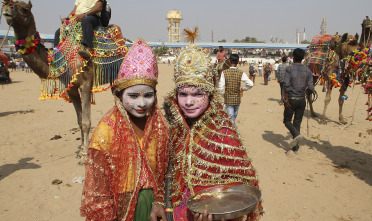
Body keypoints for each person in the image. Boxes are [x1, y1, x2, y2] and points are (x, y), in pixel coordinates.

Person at [163, 43, 263, 221]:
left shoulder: (224, 131)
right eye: (183, 94)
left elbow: (241, 185)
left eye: (197, 94)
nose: (189, 102)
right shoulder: (174, 127)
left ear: (210, 95)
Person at [80, 38, 170, 221]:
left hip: (156, 208)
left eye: (148, 95)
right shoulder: (106, 130)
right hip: (119, 210)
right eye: (134, 95)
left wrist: (159, 201)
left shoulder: (159, 126)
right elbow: (98, 189)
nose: (142, 103)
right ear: (119, 96)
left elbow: (166, 171)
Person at [283, 48, 314, 153]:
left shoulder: (289, 69)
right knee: (297, 122)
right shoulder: (308, 71)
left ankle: (296, 135)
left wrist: (286, 99)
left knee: (287, 120)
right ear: (303, 58)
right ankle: (295, 148)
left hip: (291, 98)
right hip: (302, 100)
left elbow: (286, 85)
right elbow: (311, 88)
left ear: (293, 57)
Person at [219, 54, 254, 125]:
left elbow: (220, 88)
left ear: (229, 61)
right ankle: (233, 133)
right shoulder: (241, 73)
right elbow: (250, 84)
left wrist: (224, 95)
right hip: (237, 100)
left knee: (231, 120)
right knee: (233, 118)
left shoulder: (224, 73)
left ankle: (233, 133)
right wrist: (243, 89)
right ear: (238, 62)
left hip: (228, 100)